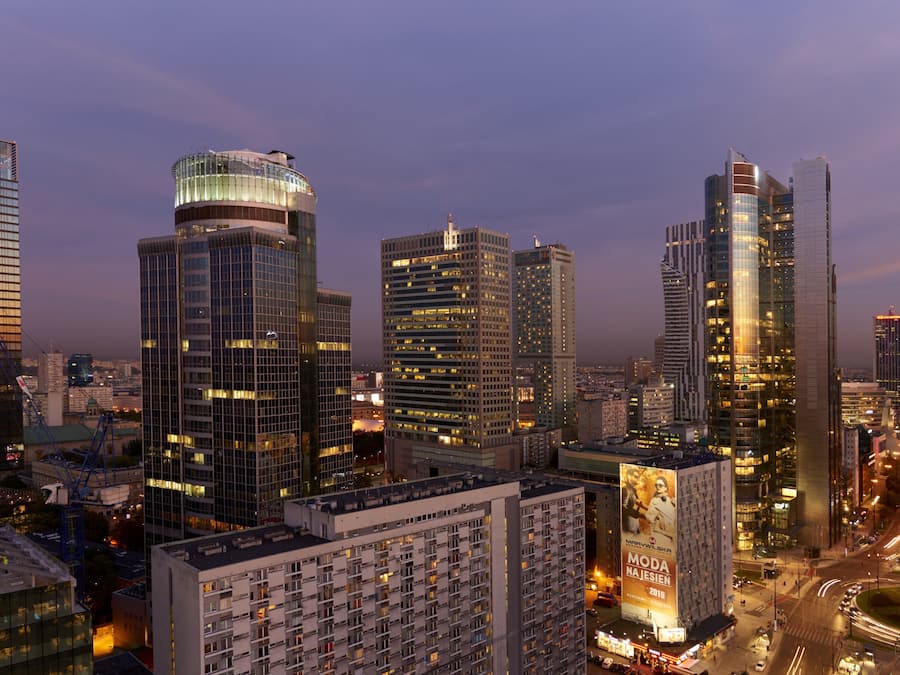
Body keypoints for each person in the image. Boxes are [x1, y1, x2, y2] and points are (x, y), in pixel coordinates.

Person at [645, 474, 676, 545]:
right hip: (659, 534)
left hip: (671, 534)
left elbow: (674, 518)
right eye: (656, 485)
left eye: (660, 485)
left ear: (665, 488)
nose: (657, 487)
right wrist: (658, 516)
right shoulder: (654, 501)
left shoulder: (670, 500)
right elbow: (648, 516)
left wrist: (676, 505)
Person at [621, 468, 646, 534]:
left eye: (638, 477)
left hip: (634, 523)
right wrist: (637, 514)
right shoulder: (625, 489)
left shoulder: (633, 490)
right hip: (629, 525)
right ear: (629, 476)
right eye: (635, 477)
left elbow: (636, 506)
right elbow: (623, 507)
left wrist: (643, 515)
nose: (638, 479)